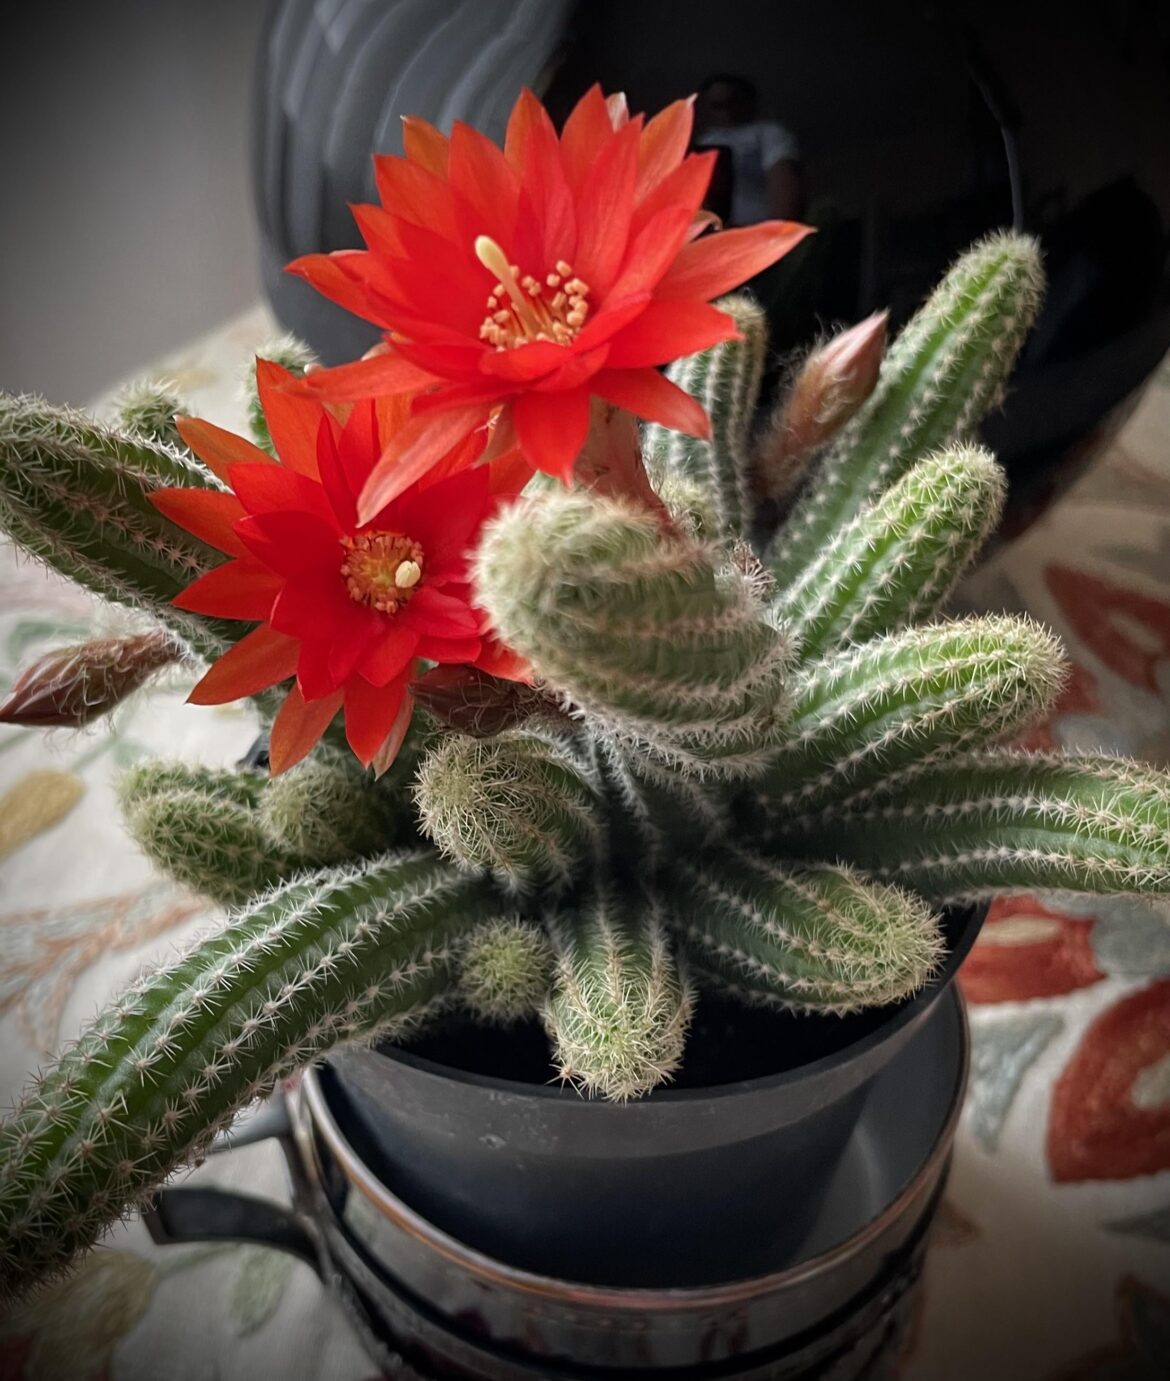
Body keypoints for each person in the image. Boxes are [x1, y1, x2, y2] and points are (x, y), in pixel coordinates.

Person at [693, 74, 804, 225]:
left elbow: (784, 184)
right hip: (714, 232)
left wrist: (779, 229)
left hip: (760, 230)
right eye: (717, 106)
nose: (726, 112)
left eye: (732, 103)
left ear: (748, 102)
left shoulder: (770, 134)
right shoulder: (704, 142)